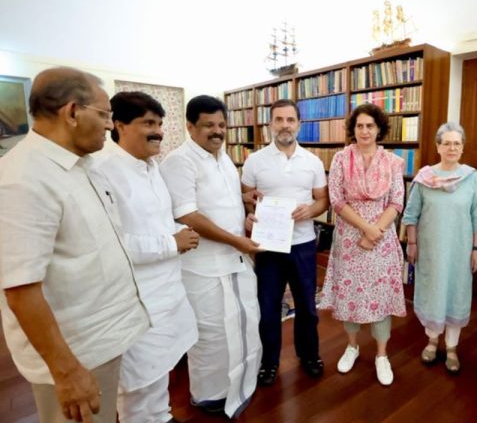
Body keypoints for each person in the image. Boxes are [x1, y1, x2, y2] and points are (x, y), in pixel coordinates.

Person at [0, 67, 149, 423]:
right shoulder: (24, 178)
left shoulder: (83, 166)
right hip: (76, 354)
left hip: (99, 342)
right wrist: (66, 371)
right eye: (104, 115)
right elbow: (21, 289)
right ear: (71, 112)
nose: (111, 126)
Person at [91, 91, 200, 423]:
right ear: (119, 125)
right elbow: (111, 243)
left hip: (167, 290)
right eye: (148, 123)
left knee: (161, 373)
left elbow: (157, 220)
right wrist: (172, 242)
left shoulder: (152, 166)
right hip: (137, 299)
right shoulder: (103, 172)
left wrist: (177, 232)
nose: (159, 131)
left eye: (160, 123)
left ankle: (162, 417)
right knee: (138, 385)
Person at [159, 95, 261, 418]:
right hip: (203, 266)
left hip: (235, 260)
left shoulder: (224, 158)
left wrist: (246, 202)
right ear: (190, 126)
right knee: (211, 333)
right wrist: (235, 240)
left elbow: (224, 200)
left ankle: (241, 381)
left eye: (221, 125)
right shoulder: (179, 162)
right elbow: (188, 214)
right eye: (208, 125)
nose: (217, 132)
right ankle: (209, 395)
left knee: (245, 322)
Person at [240, 99, 329, 386]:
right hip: (268, 246)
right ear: (270, 124)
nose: (284, 125)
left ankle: (309, 355)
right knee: (267, 307)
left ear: (299, 124)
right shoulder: (255, 161)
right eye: (278, 120)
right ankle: (269, 361)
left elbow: (323, 200)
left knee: (307, 306)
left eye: (290, 120)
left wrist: (310, 211)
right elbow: (246, 200)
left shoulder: (313, 162)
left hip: (302, 243)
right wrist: (251, 216)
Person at [319, 103, 406, 386]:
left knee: (379, 296)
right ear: (353, 129)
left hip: (381, 240)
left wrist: (376, 230)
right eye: (359, 126)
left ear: (379, 128)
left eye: (370, 125)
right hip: (349, 238)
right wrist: (365, 228)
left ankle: (382, 355)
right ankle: (352, 346)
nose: (365, 131)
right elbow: (337, 200)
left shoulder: (393, 163)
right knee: (351, 294)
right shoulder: (341, 159)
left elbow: (396, 202)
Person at [402, 122, 477, 374]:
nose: (452, 147)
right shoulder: (424, 177)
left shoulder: (472, 177)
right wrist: (412, 243)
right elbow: (411, 214)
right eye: (446, 143)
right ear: (438, 146)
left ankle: (452, 347)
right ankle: (432, 341)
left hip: (460, 251)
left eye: (457, 143)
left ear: (462, 147)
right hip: (430, 251)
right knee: (432, 293)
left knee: (456, 293)